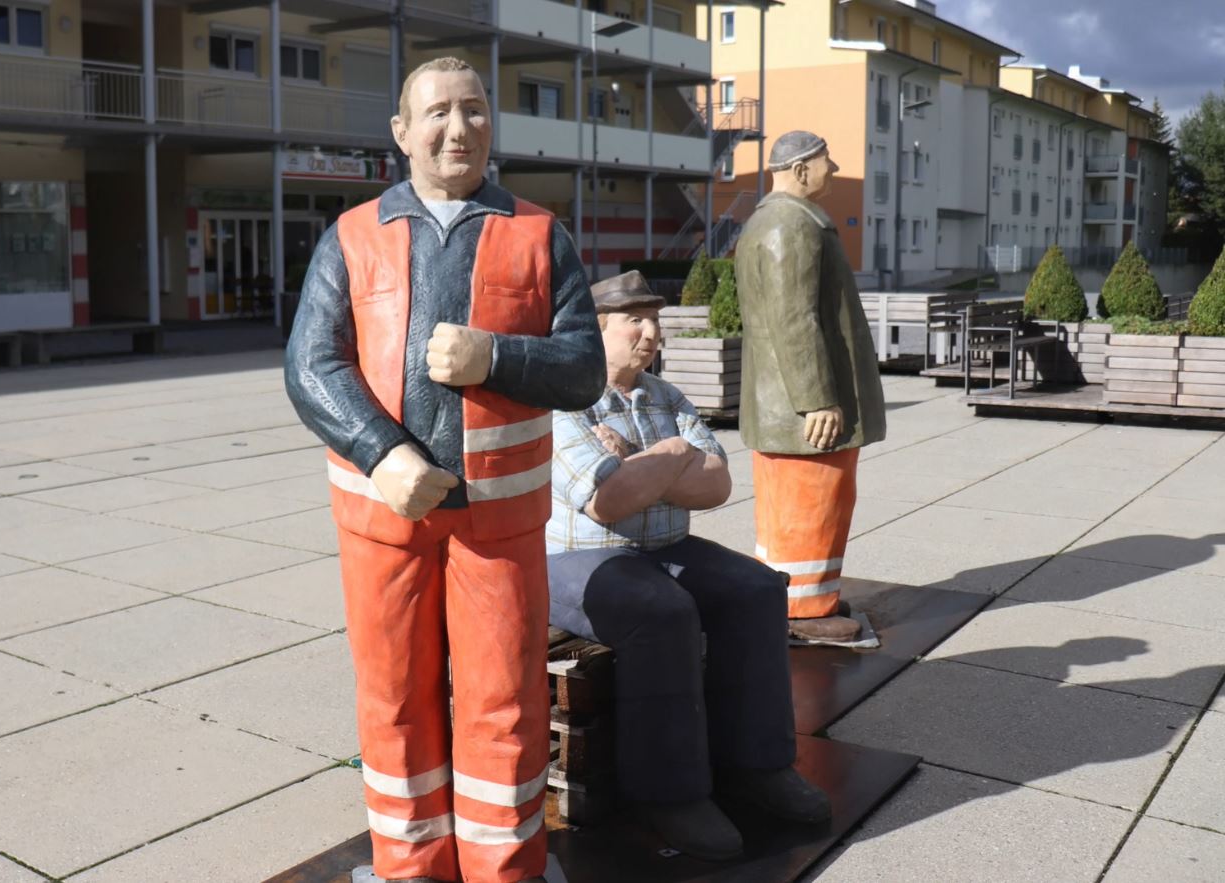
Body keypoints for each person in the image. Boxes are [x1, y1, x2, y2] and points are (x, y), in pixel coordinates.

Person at [284, 56, 606, 883]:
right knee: (393, 700)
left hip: (498, 524)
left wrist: (493, 356)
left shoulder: (540, 234)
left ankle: (506, 867)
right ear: (400, 133)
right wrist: (379, 450)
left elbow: (581, 368)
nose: (457, 128)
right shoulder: (352, 237)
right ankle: (410, 865)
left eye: (473, 110)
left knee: (504, 699)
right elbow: (311, 363)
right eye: (436, 113)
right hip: (381, 519)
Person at [546, 270, 830, 861]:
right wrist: (675, 457)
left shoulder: (664, 396)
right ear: (595, 330)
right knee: (661, 613)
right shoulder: (564, 400)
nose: (653, 334)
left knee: (755, 589)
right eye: (636, 321)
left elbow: (717, 484)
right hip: (579, 558)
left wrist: (643, 463)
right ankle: (668, 793)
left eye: (656, 321)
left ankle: (759, 764)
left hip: (665, 547)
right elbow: (607, 501)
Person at [733, 130, 887, 642]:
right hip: (801, 409)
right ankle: (805, 613)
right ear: (800, 169)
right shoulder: (790, 226)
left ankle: (805, 594)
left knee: (804, 506)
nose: (834, 167)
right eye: (827, 161)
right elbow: (794, 319)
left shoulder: (777, 222)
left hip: (785, 405)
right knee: (811, 504)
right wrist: (817, 398)